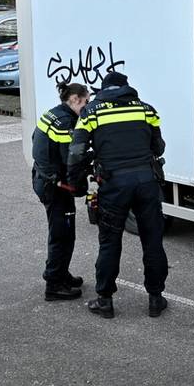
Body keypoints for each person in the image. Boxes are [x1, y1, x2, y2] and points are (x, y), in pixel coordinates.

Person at [67, 71, 168, 319]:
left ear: (104, 90)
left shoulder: (91, 112)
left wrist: (76, 182)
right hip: (147, 182)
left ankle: (105, 301)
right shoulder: (146, 109)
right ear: (126, 88)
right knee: (152, 240)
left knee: (110, 242)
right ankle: (155, 299)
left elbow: (77, 152)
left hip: (114, 185)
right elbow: (159, 147)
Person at [31, 82, 90, 301]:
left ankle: (61, 273)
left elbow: (36, 140)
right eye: (86, 101)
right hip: (55, 187)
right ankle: (54, 285)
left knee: (64, 232)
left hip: (45, 180)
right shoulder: (66, 123)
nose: (87, 106)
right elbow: (70, 161)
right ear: (74, 99)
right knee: (62, 235)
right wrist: (82, 181)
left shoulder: (53, 114)